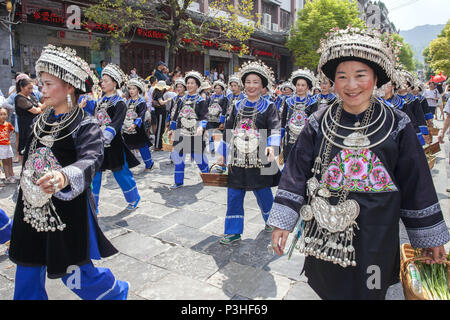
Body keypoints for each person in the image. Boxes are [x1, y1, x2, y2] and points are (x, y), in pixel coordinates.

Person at [268, 27, 449, 300]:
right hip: (326, 231)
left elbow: (417, 183)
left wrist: (427, 239)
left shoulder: (398, 124)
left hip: (378, 232)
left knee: (372, 287)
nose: (351, 85)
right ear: (333, 82)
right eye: (342, 77)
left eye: (360, 75)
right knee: (328, 287)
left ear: (376, 78)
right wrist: (284, 220)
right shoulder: (318, 121)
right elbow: (295, 172)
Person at [8, 45, 129, 300]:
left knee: (74, 273)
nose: (41, 89)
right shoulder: (41, 120)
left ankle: (114, 293)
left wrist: (63, 176)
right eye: (41, 83)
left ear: (69, 86)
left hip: (64, 211)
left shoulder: (86, 124)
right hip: (30, 207)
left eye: (48, 83)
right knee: (27, 266)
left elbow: (92, 158)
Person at [216, 60, 281, 245]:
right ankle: (233, 231)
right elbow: (228, 131)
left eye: (256, 82)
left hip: (260, 157)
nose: (251, 86)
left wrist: (272, 147)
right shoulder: (236, 105)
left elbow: (275, 129)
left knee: (263, 192)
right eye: (248, 82)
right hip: (237, 157)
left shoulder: (269, 107)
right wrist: (221, 154)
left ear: (262, 86)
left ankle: (271, 220)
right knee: (234, 193)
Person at [91, 63, 142, 211]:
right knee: (95, 174)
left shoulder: (120, 103)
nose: (103, 83)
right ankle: (93, 205)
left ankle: (134, 197)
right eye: (102, 80)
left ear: (115, 83)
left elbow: (116, 122)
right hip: (97, 143)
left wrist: (106, 135)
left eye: (106, 80)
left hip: (114, 144)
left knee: (121, 172)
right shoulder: (99, 101)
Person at [167, 70, 209, 189]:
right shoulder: (181, 99)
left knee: (198, 157)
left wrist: (201, 127)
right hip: (181, 132)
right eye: (188, 83)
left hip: (195, 133)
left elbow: (204, 116)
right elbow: (176, 116)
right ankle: (178, 182)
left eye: (192, 83)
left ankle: (207, 175)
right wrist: (172, 129)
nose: (189, 85)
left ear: (197, 85)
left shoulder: (201, 101)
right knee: (178, 157)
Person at [280, 69, 318, 163]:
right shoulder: (288, 101)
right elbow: (283, 121)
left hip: (305, 139)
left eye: (303, 85)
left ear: (307, 87)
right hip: (289, 139)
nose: (300, 87)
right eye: (298, 85)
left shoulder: (313, 103)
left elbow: (314, 125)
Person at [122, 78, 154, 171]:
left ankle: (149, 163)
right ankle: (126, 165)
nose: (131, 91)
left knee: (142, 146)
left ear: (138, 90)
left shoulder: (141, 101)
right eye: (130, 89)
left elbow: (141, 114)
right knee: (126, 146)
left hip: (137, 128)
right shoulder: (127, 102)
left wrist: (135, 124)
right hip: (127, 127)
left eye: (133, 89)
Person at [14, 76, 46, 164]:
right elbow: (36, 110)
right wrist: (41, 109)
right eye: (29, 88)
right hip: (26, 127)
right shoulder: (20, 98)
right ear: (22, 87)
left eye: (32, 88)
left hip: (35, 125)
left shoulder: (31, 96)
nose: (31, 90)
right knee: (25, 148)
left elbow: (41, 106)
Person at [206, 80, 228, 155]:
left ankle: (222, 149)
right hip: (211, 118)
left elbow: (225, 109)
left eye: (218, 88)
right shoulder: (211, 97)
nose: (217, 90)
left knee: (222, 134)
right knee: (210, 134)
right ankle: (212, 149)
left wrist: (222, 120)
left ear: (222, 89)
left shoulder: (225, 98)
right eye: (216, 88)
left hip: (219, 119)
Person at [152, 80, 172, 150]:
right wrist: (168, 100)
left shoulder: (157, 92)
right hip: (160, 112)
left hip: (160, 112)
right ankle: (157, 146)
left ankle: (159, 145)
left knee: (161, 128)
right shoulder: (158, 93)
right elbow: (161, 103)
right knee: (160, 128)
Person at [0, 107, 16, 185]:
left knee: (10, 161)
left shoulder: (8, 124)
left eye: (4, 114)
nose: (3, 116)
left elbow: (12, 129)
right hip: (1, 146)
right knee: (5, 162)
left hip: (7, 145)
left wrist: (9, 136)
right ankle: (7, 177)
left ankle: (12, 174)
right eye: (1, 114)